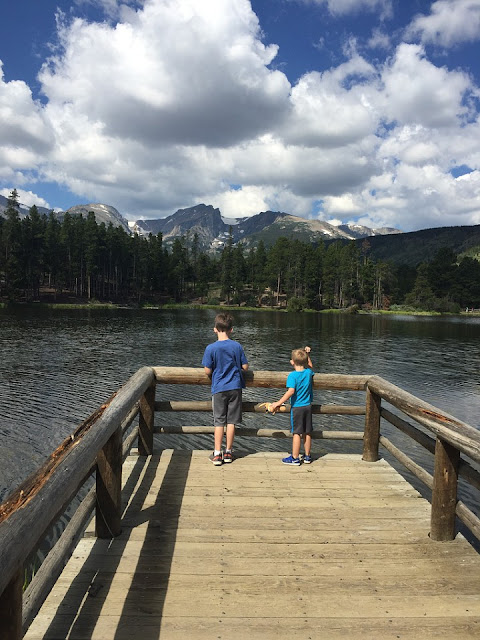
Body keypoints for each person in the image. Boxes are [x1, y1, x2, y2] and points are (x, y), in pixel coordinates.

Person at [202, 312, 249, 466]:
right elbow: (245, 367)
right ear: (231, 330)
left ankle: (217, 454)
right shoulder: (237, 346)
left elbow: (207, 371)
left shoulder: (211, 348)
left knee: (219, 422)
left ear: (215, 329)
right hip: (235, 387)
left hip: (219, 388)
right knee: (231, 422)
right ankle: (228, 452)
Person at [270, 346, 314, 465]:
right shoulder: (308, 373)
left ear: (292, 362)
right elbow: (310, 366)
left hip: (297, 408)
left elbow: (290, 391)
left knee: (296, 433)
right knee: (307, 432)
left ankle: (295, 457)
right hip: (308, 406)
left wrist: (277, 403)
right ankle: (307, 456)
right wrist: (307, 355)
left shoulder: (292, 376)